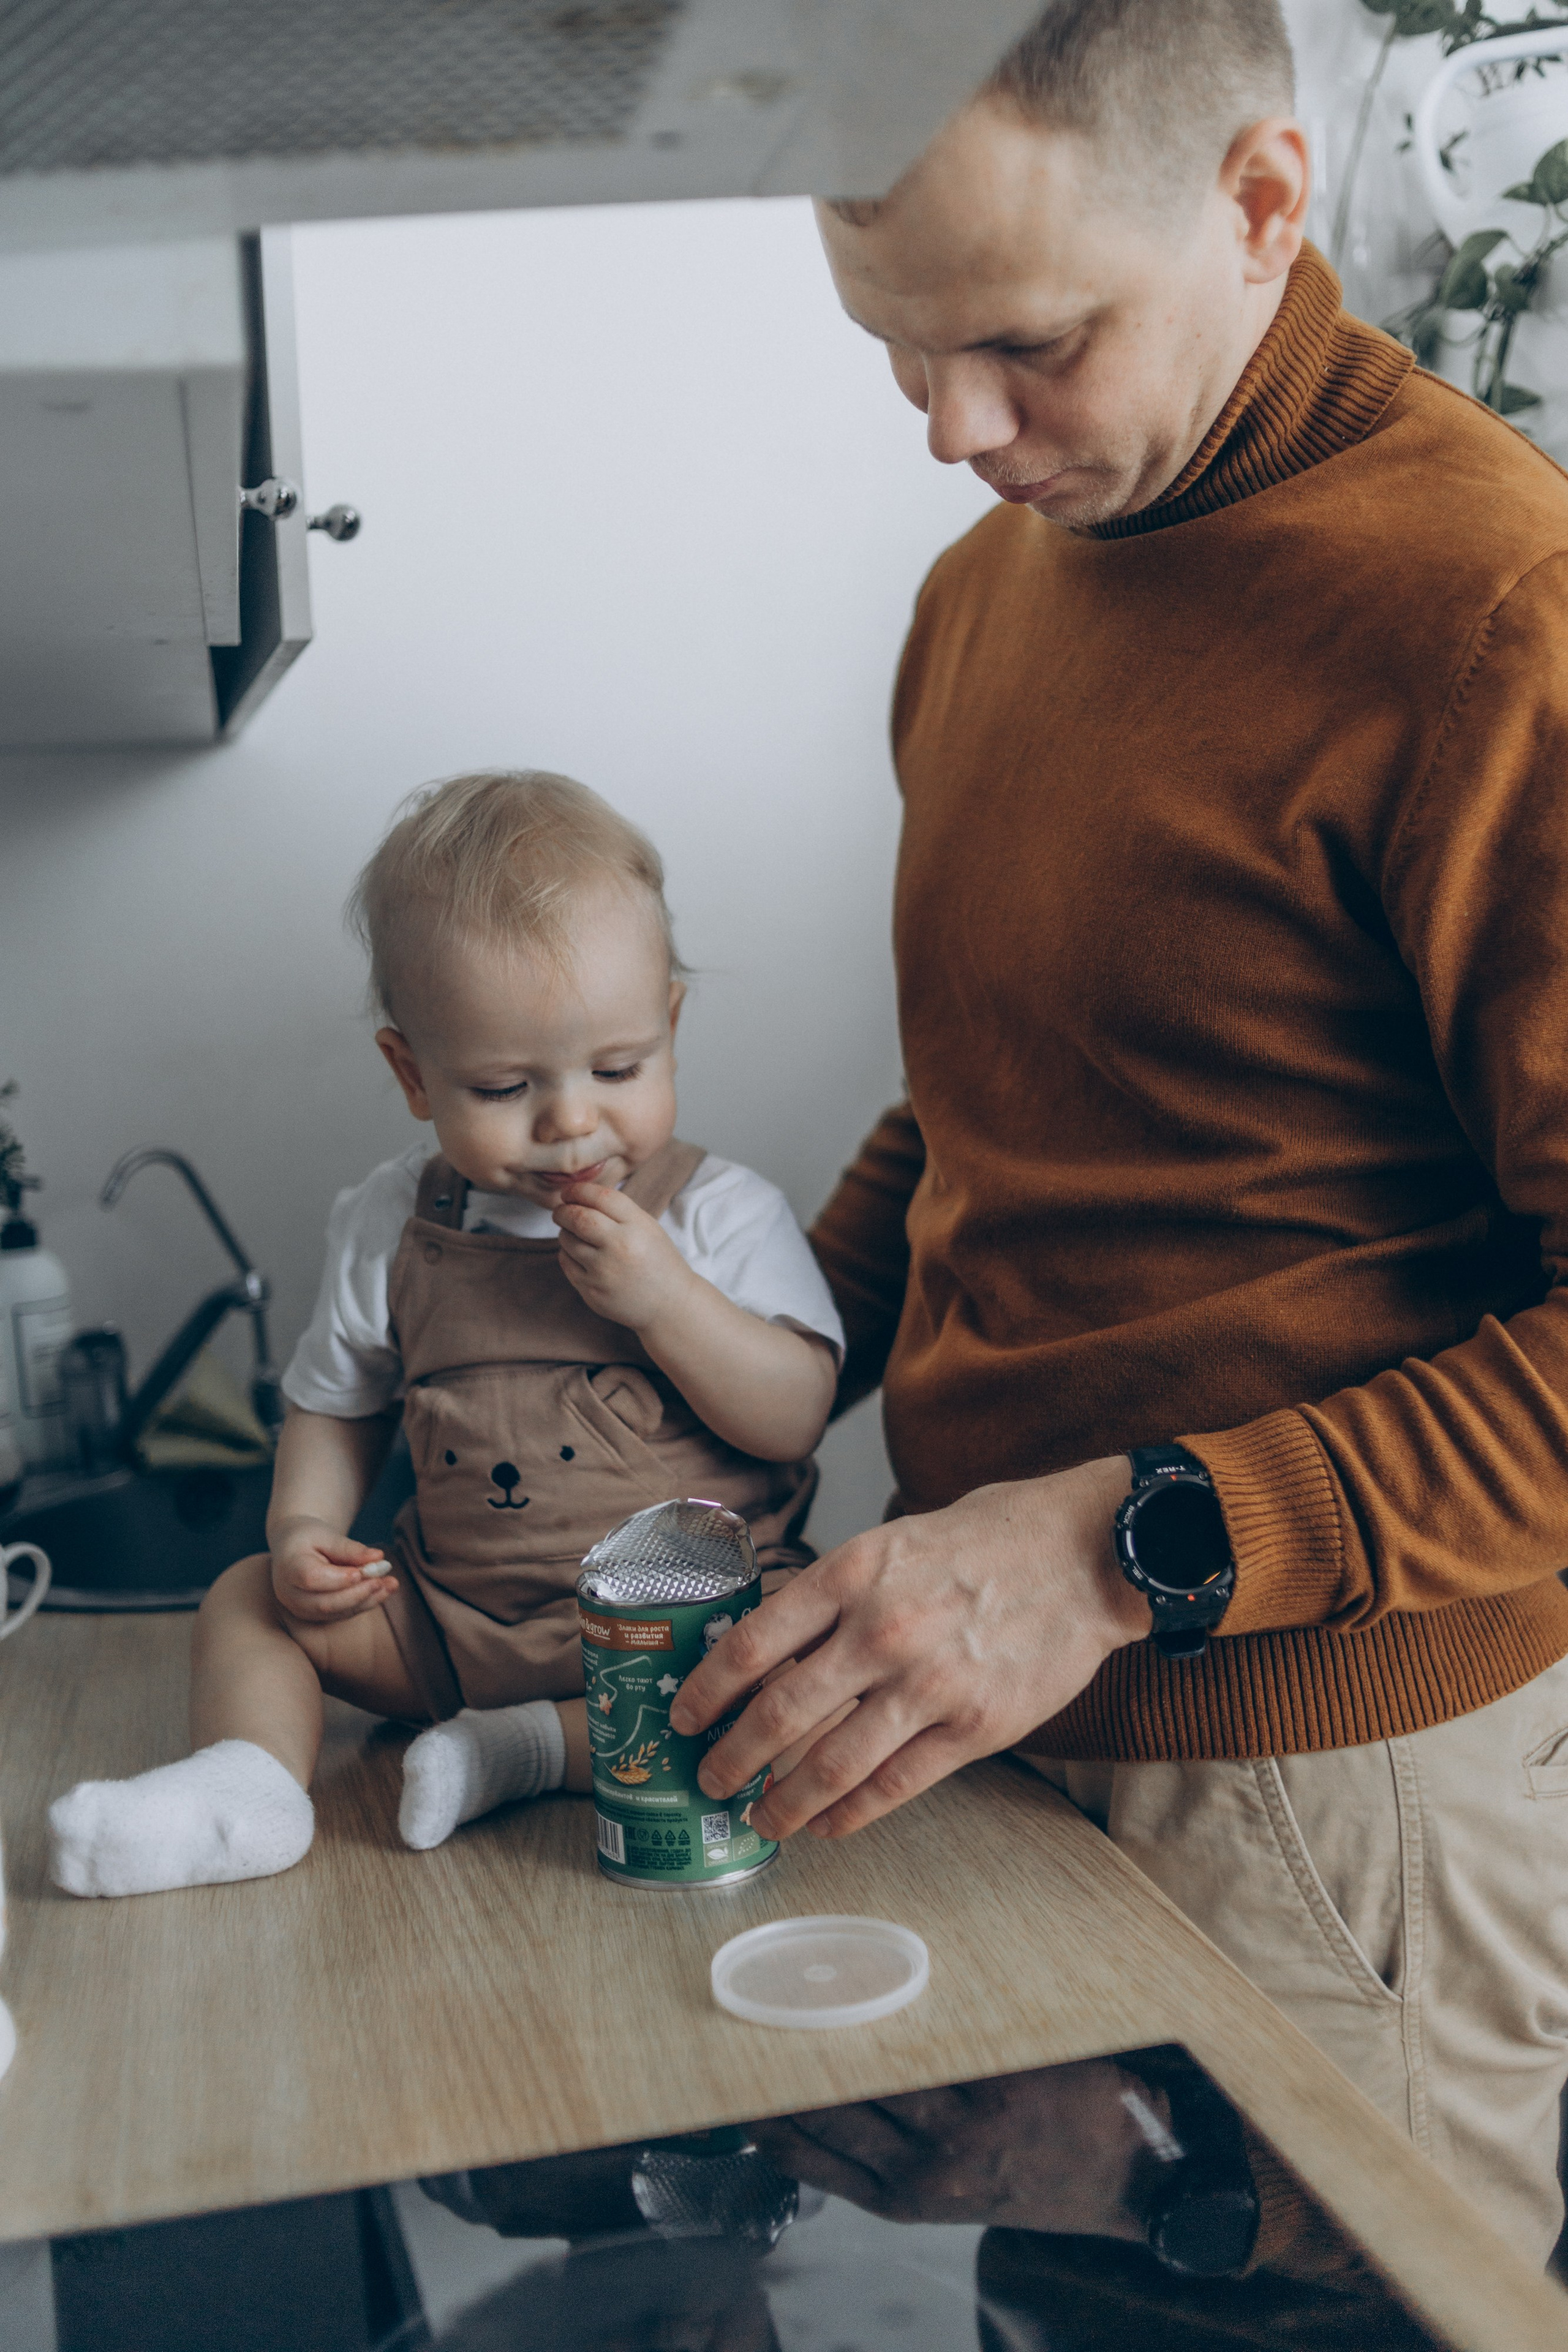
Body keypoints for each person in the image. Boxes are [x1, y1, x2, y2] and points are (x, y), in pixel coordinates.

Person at [669, 0, 1568, 2269]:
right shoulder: (986, 590)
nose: (951, 429)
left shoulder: (1498, 612)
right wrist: (710, 1369)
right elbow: (1003, 1093)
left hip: (1327, 1788)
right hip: (997, 1705)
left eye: (1026, 343)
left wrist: (1107, 1554)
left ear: (1261, 203)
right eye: (895, 345)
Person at [48, 769, 840, 1897]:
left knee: (811, 1667)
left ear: (669, 1026)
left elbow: (794, 1412)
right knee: (244, 1600)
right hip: (447, 1629)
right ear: (413, 1075)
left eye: (617, 1070)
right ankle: (247, 1789)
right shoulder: (394, 1223)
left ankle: (519, 1752)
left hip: (685, 1640)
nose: (572, 1121)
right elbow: (334, 1404)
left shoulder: (721, 1215)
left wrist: (669, 1299)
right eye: (506, 1086)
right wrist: (302, 1529)